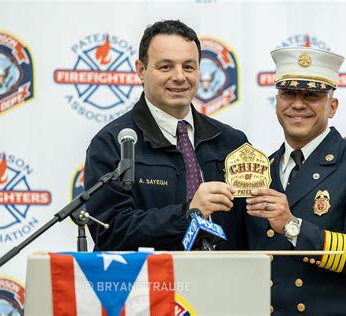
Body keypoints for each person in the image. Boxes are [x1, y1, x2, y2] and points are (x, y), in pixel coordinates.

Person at [245, 47, 346, 315]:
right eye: (288, 93)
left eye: (312, 95)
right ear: (277, 101)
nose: (297, 104)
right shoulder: (259, 170)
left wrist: (292, 226)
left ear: (333, 106)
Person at [84, 20, 247, 251]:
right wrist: (188, 213)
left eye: (189, 67)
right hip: (151, 283)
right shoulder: (112, 143)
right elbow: (111, 232)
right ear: (141, 70)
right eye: (166, 67)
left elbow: (252, 229)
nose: (180, 77)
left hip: (221, 281)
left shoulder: (232, 142)